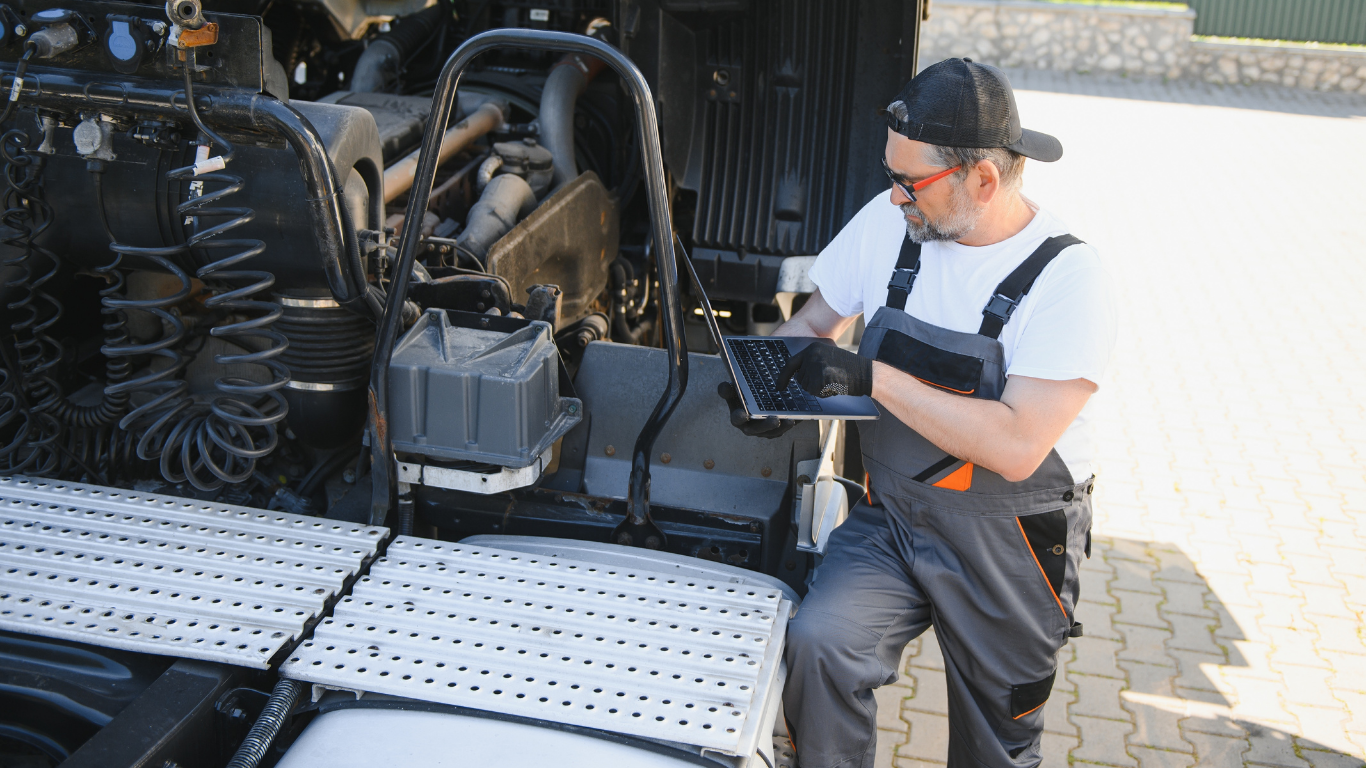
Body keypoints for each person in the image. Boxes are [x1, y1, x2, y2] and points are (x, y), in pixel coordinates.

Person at [724, 58, 1117, 767]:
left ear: (984, 180)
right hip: (895, 519)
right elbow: (814, 325)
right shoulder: (890, 221)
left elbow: (1017, 443)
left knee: (995, 744)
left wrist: (873, 378)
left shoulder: (1068, 279)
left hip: (1011, 542)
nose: (894, 196)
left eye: (911, 183)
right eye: (890, 175)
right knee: (821, 647)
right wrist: (764, 378)